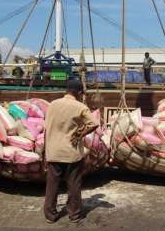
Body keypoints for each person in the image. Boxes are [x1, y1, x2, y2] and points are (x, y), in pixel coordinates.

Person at [43, 79, 99, 223]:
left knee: (52, 184)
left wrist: (45, 150)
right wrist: (81, 134)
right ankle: (74, 215)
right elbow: (94, 124)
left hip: (53, 151)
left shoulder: (52, 105)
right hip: (71, 153)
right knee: (74, 184)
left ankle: (50, 215)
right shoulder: (80, 107)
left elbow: (46, 128)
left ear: (67, 90)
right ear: (79, 92)